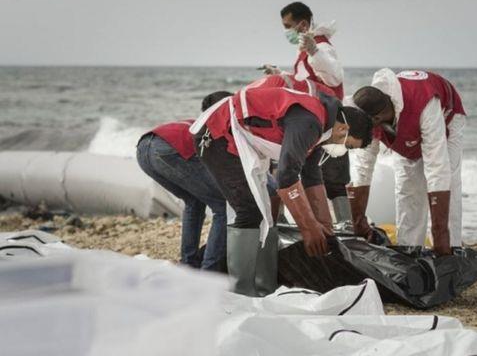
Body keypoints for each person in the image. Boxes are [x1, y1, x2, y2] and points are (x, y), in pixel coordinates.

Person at [190, 87, 372, 296]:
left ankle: (265, 287)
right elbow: (286, 175)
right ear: (343, 129)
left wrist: (324, 227)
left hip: (242, 140)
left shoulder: (323, 129)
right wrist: (308, 227)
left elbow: (311, 176)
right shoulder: (311, 122)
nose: (343, 151)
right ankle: (241, 294)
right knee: (249, 211)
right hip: (216, 134)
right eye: (348, 145)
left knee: (270, 213)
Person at [349, 69, 467, 256]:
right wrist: (358, 220)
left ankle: (451, 249)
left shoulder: (424, 104)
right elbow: (362, 167)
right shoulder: (369, 114)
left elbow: (437, 167)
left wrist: (439, 233)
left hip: (446, 118)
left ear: (377, 119)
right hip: (403, 124)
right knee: (408, 187)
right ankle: (409, 250)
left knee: (448, 181)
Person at [261, 2, 351, 224]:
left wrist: (314, 51)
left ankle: (340, 226)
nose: (286, 31)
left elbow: (334, 77)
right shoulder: (305, 49)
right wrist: (280, 74)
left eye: (288, 25)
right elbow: (305, 83)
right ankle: (321, 225)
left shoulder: (321, 46)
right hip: (314, 116)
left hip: (326, 117)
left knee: (330, 175)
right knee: (310, 169)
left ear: (302, 24)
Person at [136, 91, 232, 271]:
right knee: (222, 204)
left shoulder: (194, 121)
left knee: (194, 202)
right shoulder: (220, 125)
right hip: (168, 150)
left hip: (144, 149)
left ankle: (189, 264)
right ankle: (209, 270)